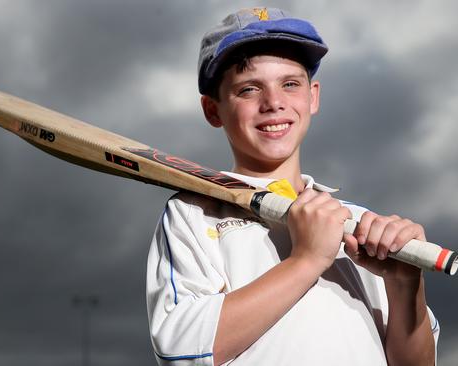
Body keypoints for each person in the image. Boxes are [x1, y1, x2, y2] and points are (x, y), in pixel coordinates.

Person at [146, 7, 438, 365]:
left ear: (312, 96)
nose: (273, 103)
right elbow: (182, 350)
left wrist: (405, 286)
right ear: (213, 110)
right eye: (248, 89)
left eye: (290, 84)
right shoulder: (193, 214)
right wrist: (307, 260)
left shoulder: (361, 225)